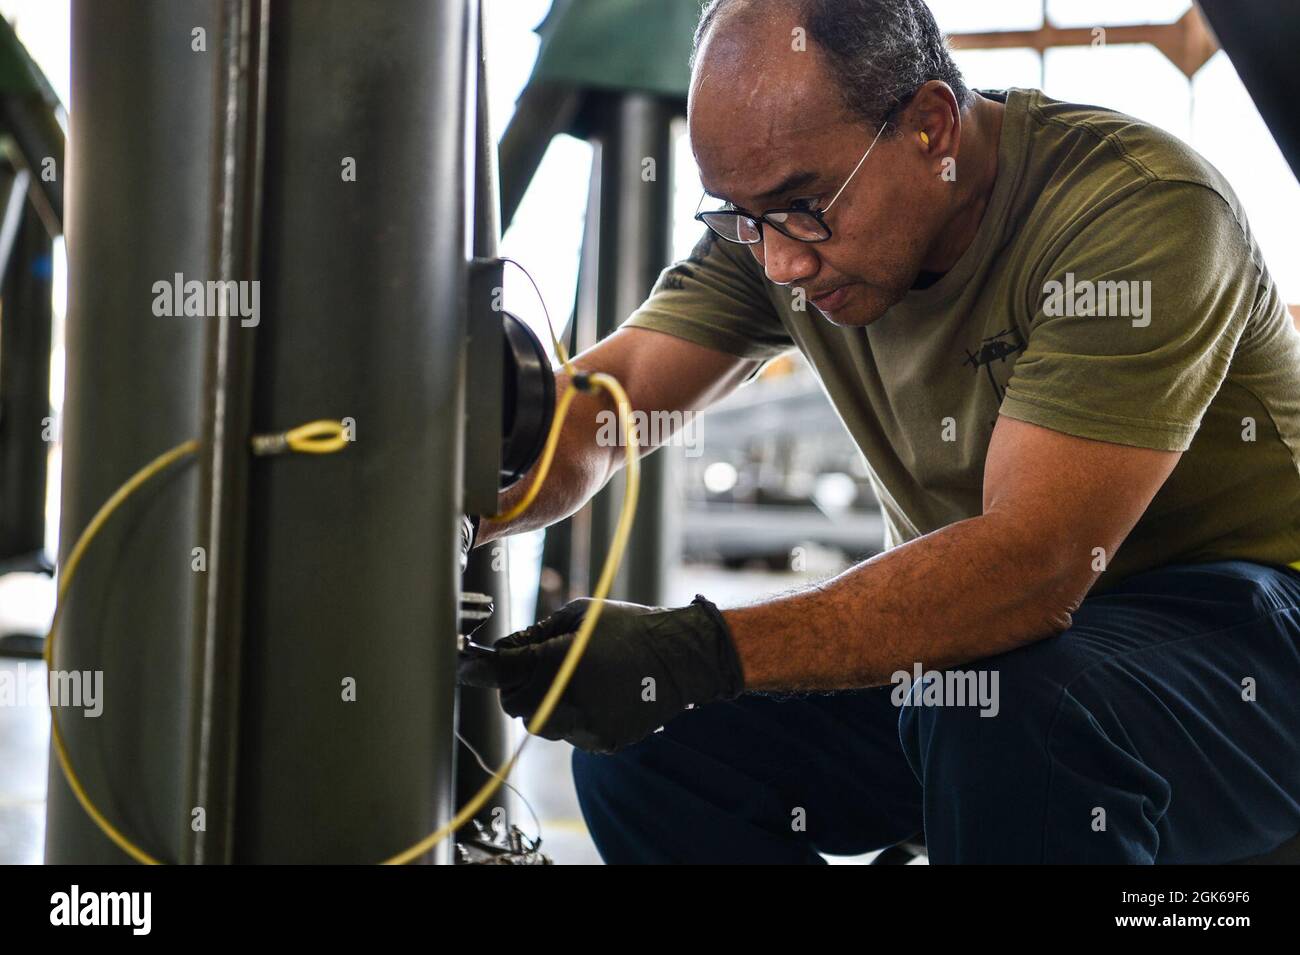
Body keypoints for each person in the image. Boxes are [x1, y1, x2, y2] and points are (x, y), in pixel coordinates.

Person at [460, 0, 1300, 863]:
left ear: (932, 127)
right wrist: (441, 508)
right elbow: (611, 400)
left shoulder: (1134, 211)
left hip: (1251, 649)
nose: (781, 260)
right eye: (741, 217)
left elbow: (1032, 568)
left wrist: (700, 648)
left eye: (801, 204)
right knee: (649, 735)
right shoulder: (774, 232)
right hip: (987, 663)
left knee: (1008, 703)